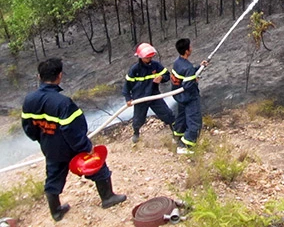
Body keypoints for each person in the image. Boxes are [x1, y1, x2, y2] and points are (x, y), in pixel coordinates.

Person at [21, 58, 126, 221]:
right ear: (60, 76)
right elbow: (72, 129)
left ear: (39, 76)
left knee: (53, 176)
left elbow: (28, 127)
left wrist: (42, 139)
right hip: (69, 146)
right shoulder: (63, 103)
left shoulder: (29, 100)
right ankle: (108, 198)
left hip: (49, 146)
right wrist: (85, 146)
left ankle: (56, 212)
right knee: (98, 167)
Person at [123, 42, 175, 143]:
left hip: (154, 95)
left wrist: (161, 78)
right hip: (140, 98)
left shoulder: (156, 66)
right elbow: (127, 86)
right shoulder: (134, 70)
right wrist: (128, 98)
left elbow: (167, 75)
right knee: (138, 119)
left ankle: (175, 133)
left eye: (150, 57)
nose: (149, 59)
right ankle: (136, 133)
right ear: (140, 57)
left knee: (168, 114)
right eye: (147, 58)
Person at [171, 38, 208, 154]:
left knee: (181, 118)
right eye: (190, 47)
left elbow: (185, 75)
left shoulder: (178, 62)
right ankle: (185, 145)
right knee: (194, 121)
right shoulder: (187, 68)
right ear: (187, 51)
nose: (191, 48)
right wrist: (194, 80)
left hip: (180, 97)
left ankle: (177, 137)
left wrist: (198, 67)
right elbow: (188, 84)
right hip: (189, 97)